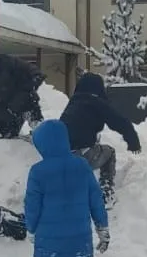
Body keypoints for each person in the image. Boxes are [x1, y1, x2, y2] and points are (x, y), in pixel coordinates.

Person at [23, 119, 109, 257]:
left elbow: (32, 205)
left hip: (48, 246)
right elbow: (96, 201)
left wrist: (30, 228)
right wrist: (102, 227)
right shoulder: (81, 166)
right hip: (77, 245)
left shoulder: (38, 172)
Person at [58, 71, 141, 204]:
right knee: (109, 152)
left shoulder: (73, 104)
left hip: (60, 155)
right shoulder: (97, 103)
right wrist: (133, 141)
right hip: (81, 154)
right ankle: (106, 193)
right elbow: (121, 122)